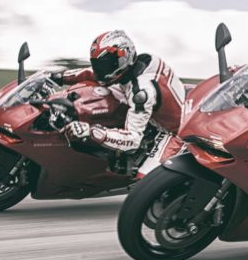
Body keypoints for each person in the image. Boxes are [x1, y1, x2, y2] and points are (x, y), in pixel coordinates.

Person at [53, 30, 187, 178]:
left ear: (123, 59)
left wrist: (91, 132)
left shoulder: (141, 91)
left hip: (174, 131)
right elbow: (92, 73)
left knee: (146, 180)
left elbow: (133, 139)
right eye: (98, 65)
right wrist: (59, 77)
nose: (100, 71)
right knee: (93, 94)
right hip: (152, 111)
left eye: (105, 66)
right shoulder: (135, 65)